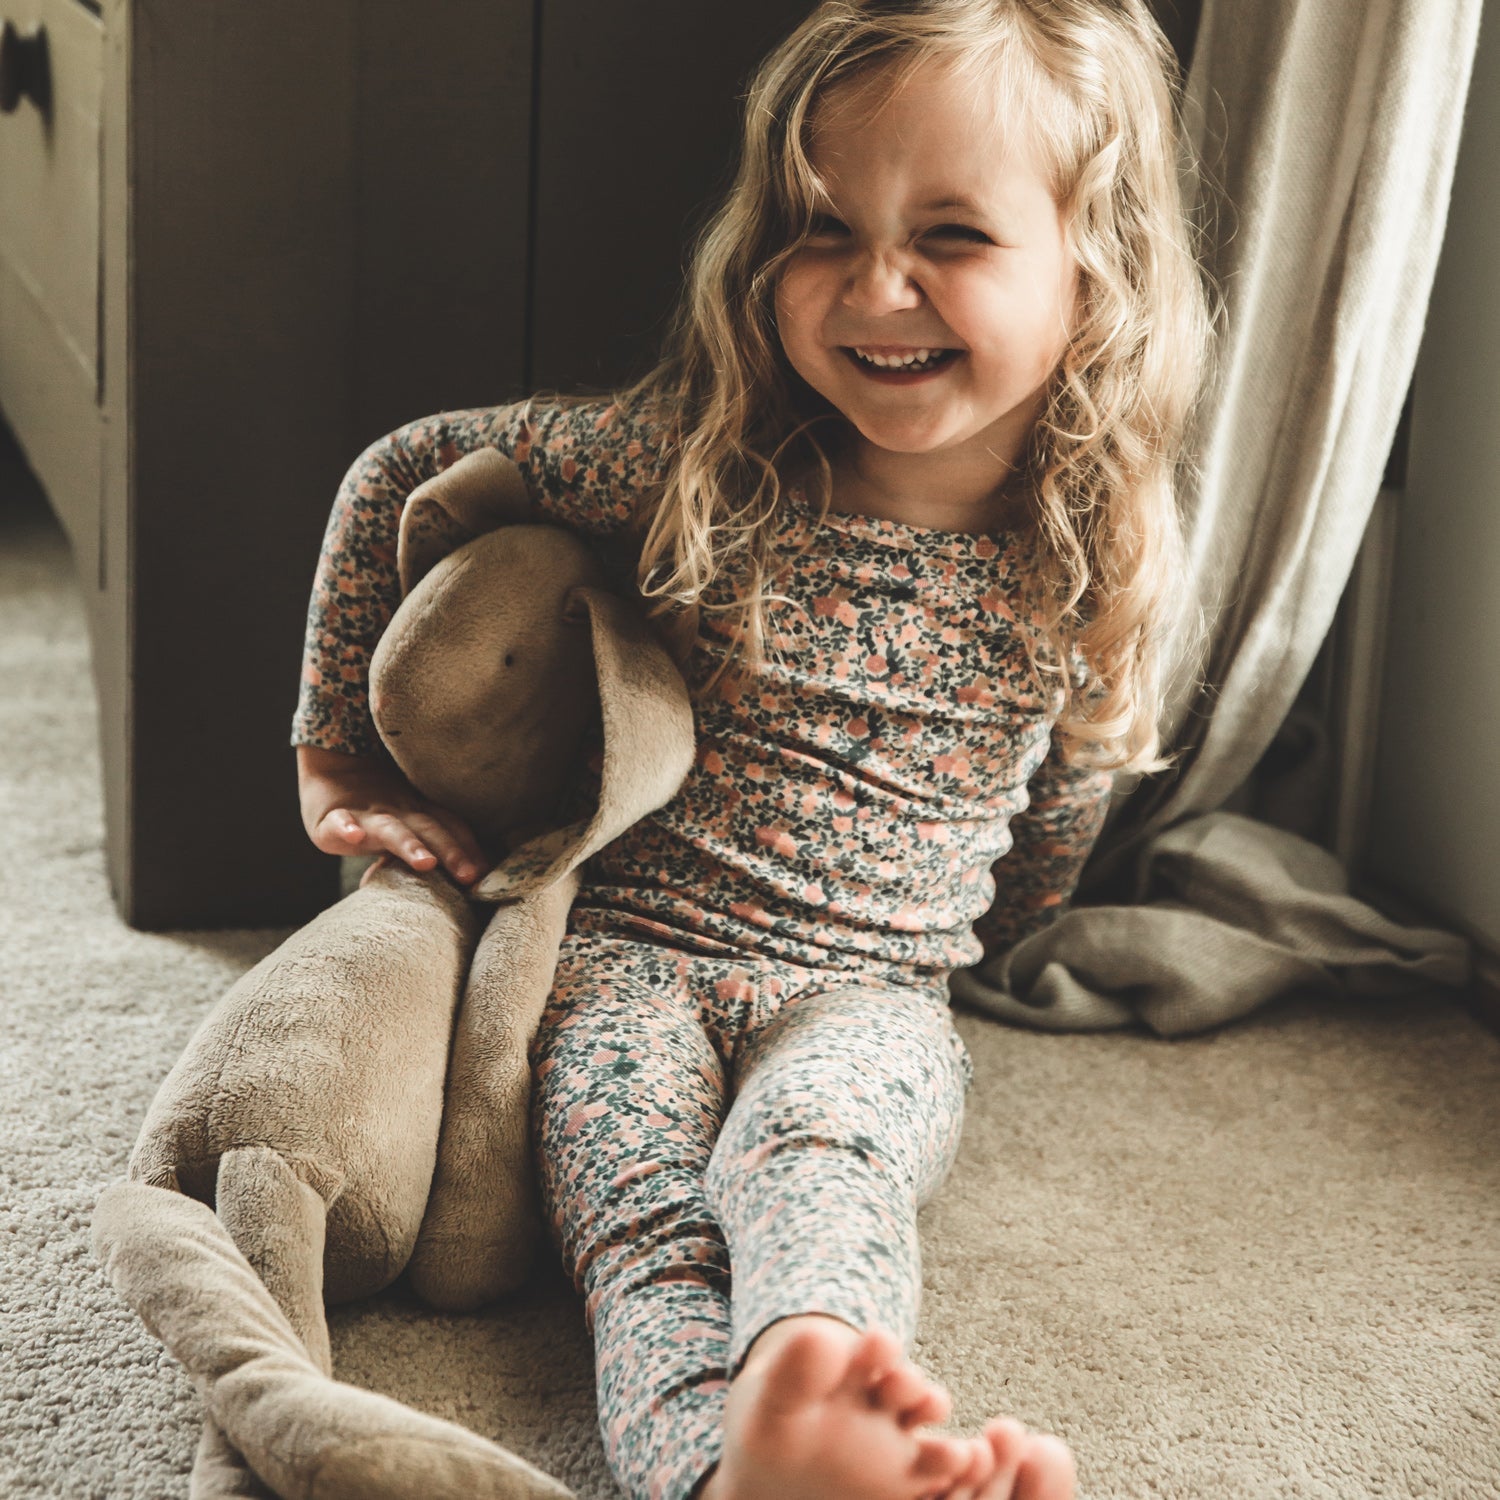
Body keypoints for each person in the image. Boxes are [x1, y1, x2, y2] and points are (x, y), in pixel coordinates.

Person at [293, 2, 1213, 1497]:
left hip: (871, 993)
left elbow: (1071, 790)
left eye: (956, 236)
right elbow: (401, 466)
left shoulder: (1093, 537)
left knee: (819, 1158)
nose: (878, 286)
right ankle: (718, 1478)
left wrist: (1011, 938)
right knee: (640, 1225)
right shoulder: (701, 455)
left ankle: (818, 1401)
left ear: (1093, 270)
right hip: (621, 964)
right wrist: (336, 753)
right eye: (822, 228)